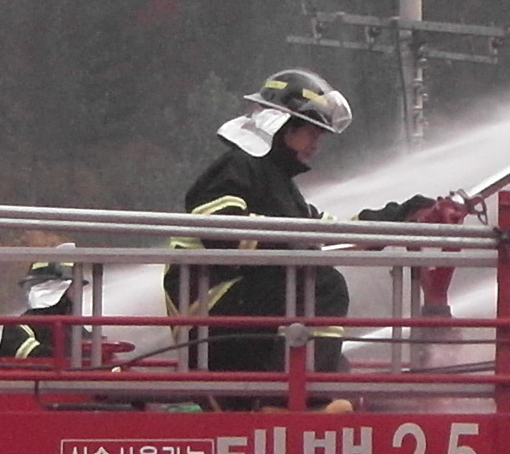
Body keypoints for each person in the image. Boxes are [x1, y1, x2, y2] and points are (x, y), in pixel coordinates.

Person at [171, 69, 430, 392]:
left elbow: (330, 234)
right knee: (322, 285)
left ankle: (308, 388)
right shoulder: (238, 167)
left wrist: (400, 216)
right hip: (209, 324)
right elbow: (219, 226)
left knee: (336, 363)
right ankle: (304, 394)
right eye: (312, 133)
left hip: (237, 326)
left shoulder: (278, 185)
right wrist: (292, 246)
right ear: (282, 124)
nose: (317, 144)